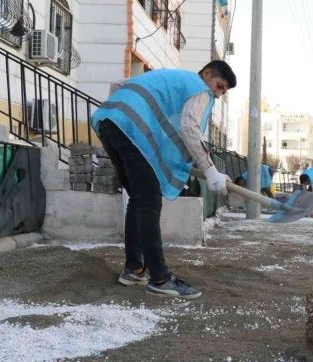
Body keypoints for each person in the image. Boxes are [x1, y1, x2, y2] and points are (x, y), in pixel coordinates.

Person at [91, 60, 236, 299]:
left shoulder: (171, 77)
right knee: (149, 203)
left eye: (223, 92)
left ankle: (134, 269)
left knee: (139, 201)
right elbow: (190, 128)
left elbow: (118, 85)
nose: (218, 95)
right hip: (129, 131)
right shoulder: (198, 88)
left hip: (110, 123)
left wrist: (121, 118)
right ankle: (160, 278)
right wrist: (210, 171)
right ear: (207, 73)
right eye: (219, 86)